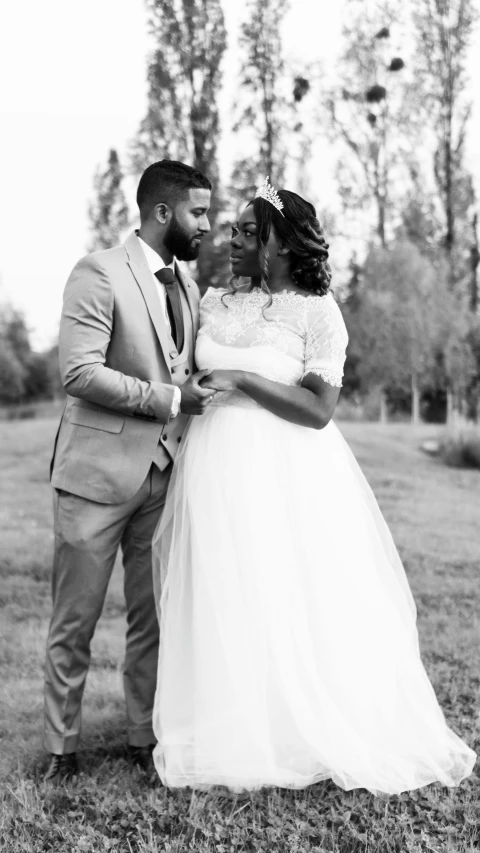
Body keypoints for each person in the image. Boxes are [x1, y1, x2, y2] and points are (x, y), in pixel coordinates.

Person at [151, 177, 476, 794]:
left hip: (289, 469)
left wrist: (243, 379)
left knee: (291, 591)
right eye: (234, 229)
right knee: (227, 590)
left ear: (278, 244)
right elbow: (182, 371)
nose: (235, 238)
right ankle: (233, 722)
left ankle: (302, 724)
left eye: (249, 231)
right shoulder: (214, 301)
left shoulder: (320, 314)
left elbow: (319, 407)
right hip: (214, 468)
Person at [44, 160, 216, 785]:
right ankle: (62, 746)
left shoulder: (190, 290)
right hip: (94, 478)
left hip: (163, 478)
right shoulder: (98, 272)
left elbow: (183, 371)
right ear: (163, 213)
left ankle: (143, 735)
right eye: (199, 212)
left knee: (153, 617)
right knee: (76, 619)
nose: (207, 224)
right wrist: (168, 399)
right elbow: (79, 372)